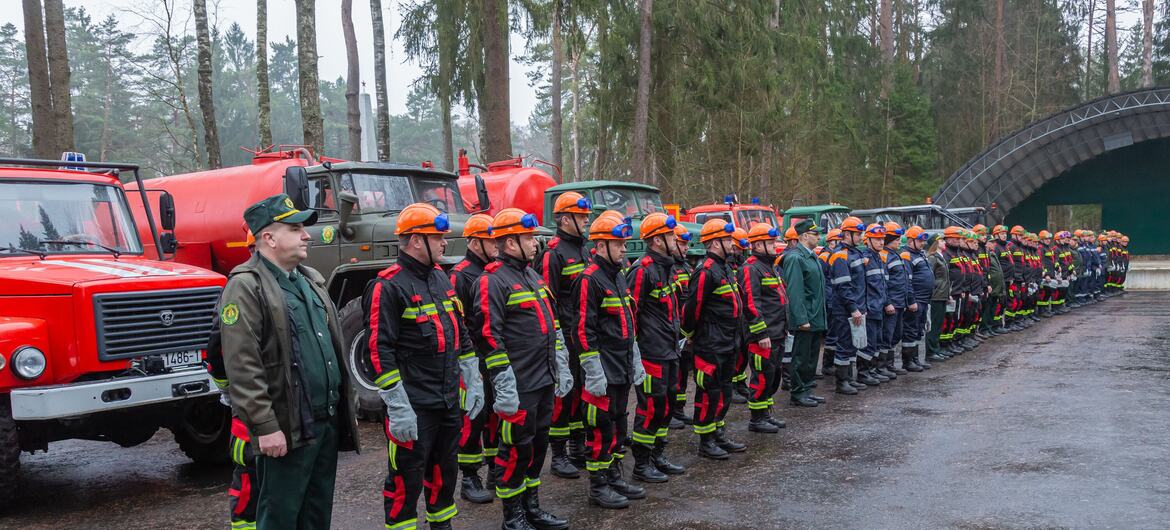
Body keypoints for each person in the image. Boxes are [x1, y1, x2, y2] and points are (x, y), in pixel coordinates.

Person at [218, 193, 360, 530]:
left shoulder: (309, 280)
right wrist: (265, 426)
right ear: (268, 238)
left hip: (321, 421)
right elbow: (243, 365)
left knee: (316, 513)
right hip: (286, 426)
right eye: (296, 228)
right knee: (280, 516)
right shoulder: (246, 286)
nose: (307, 235)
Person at [364, 203, 482, 530]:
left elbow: (460, 333)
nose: (444, 243)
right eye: (437, 237)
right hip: (414, 408)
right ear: (417, 240)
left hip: (446, 402)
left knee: (444, 476)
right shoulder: (387, 286)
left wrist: (473, 378)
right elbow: (378, 350)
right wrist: (397, 404)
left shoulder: (441, 278)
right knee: (406, 482)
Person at [473, 208, 572, 530]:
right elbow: (489, 335)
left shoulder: (532, 276)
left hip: (543, 379)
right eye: (528, 238)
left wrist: (560, 362)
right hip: (519, 384)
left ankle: (532, 508)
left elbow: (551, 323)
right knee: (515, 449)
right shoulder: (492, 280)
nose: (534, 244)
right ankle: (512, 516)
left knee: (537, 447)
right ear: (510, 242)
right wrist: (503, 382)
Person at [569, 210, 647, 508]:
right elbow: (582, 329)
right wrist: (593, 369)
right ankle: (598, 486)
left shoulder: (618, 276)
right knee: (600, 428)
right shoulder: (590, 279)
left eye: (625, 245)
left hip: (621, 365)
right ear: (600, 246)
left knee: (618, 424)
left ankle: (614, 476)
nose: (625, 250)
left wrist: (635, 356)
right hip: (603, 368)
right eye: (619, 245)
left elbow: (628, 321)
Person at [624, 213, 688, 482]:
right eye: (671, 236)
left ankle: (658, 455)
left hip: (670, 349)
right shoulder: (642, 270)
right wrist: (636, 352)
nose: (676, 240)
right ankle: (641, 463)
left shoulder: (668, 267)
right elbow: (631, 314)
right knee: (650, 406)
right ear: (657, 240)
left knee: (666, 405)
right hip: (651, 353)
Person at [683, 219, 750, 458]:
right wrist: (689, 335)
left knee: (725, 391)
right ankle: (705, 440)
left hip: (729, 342)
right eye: (727, 240)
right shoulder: (705, 271)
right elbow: (692, 309)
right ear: (714, 242)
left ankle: (718, 432)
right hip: (710, 344)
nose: (732, 244)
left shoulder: (725, 269)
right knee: (708, 392)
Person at [537, 192, 593, 478]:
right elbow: (548, 300)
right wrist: (557, 339)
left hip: (584, 335)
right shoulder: (553, 253)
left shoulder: (585, 250)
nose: (586, 221)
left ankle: (577, 446)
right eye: (582, 216)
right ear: (565, 218)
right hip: (565, 337)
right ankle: (558, 454)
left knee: (582, 392)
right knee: (564, 394)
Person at [449, 213, 501, 504]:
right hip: (473, 360)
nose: (495, 244)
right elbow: (459, 324)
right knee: (472, 417)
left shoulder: (494, 271)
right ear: (474, 241)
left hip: (493, 356)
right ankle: (469, 476)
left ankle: (495, 469)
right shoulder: (461, 275)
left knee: (495, 415)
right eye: (489, 239)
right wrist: (469, 364)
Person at [740, 222, 796, 429]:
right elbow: (751, 303)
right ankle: (756, 419)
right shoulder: (751, 268)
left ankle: (766, 413)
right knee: (762, 376)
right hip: (763, 336)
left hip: (778, 332)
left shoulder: (771, 267)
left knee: (773, 376)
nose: (775, 246)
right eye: (771, 243)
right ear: (758, 245)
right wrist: (761, 332)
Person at [781, 219, 828, 408]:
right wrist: (801, 318)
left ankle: (807, 389)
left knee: (811, 358)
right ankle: (798, 393)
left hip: (815, 315)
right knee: (800, 357)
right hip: (806, 317)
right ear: (804, 236)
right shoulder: (795, 258)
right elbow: (795, 291)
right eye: (815, 234)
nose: (819, 237)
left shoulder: (811, 256)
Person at [827, 217, 870, 395]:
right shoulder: (840, 255)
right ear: (847, 234)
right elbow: (844, 287)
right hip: (844, 309)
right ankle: (842, 382)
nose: (860, 238)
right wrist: (853, 308)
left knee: (852, 344)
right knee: (845, 344)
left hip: (856, 306)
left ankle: (849, 378)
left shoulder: (855, 252)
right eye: (857, 234)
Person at [859, 224, 892, 384]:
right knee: (869, 343)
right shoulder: (865, 258)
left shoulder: (878, 257)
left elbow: (882, 285)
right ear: (868, 240)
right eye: (877, 239)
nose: (881, 242)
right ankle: (863, 373)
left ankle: (872, 370)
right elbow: (861, 286)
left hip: (878, 307)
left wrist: (886, 303)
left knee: (877, 341)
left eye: (882, 239)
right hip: (870, 308)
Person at [670, 225, 697, 428]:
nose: (686, 248)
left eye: (687, 244)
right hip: (672, 329)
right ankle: (671, 411)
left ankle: (678, 410)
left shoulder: (686, 267)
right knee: (673, 373)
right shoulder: (669, 267)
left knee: (683, 371)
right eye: (682, 243)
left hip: (684, 328)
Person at [880, 222, 911, 376]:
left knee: (896, 335)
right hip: (892, 303)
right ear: (889, 239)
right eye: (897, 239)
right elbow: (883, 283)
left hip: (900, 303)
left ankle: (889, 364)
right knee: (887, 335)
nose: (900, 242)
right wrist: (888, 302)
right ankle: (883, 366)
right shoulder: (884, 256)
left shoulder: (895, 254)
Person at [900, 226, 932, 371]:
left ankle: (915, 358)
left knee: (919, 330)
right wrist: (911, 300)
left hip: (924, 299)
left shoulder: (920, 254)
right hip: (916, 299)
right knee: (910, 330)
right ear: (911, 240)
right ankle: (907, 362)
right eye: (919, 241)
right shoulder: (907, 255)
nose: (922, 243)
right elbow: (907, 280)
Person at [925, 234, 951, 362]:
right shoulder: (932, 258)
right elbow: (930, 277)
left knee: (939, 324)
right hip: (935, 296)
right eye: (941, 240)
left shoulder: (940, 257)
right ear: (935, 244)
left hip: (942, 295)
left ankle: (936, 349)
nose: (944, 242)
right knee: (934, 325)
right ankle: (930, 352)